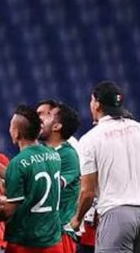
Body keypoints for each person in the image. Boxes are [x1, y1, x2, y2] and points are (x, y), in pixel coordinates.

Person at [70, 81, 140, 253]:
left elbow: (88, 192)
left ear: (97, 104)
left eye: (91, 100)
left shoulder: (90, 139)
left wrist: (76, 220)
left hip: (116, 213)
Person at [0, 105, 63, 253]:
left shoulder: (17, 163)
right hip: (53, 242)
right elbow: (34, 189)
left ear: (16, 133)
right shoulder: (54, 155)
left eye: (11, 126)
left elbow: (9, 210)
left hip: (26, 243)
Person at [39, 103, 81, 253]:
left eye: (48, 115)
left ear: (57, 126)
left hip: (59, 234)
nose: (41, 119)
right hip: (38, 232)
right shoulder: (40, 151)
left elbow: (46, 187)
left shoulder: (68, 155)